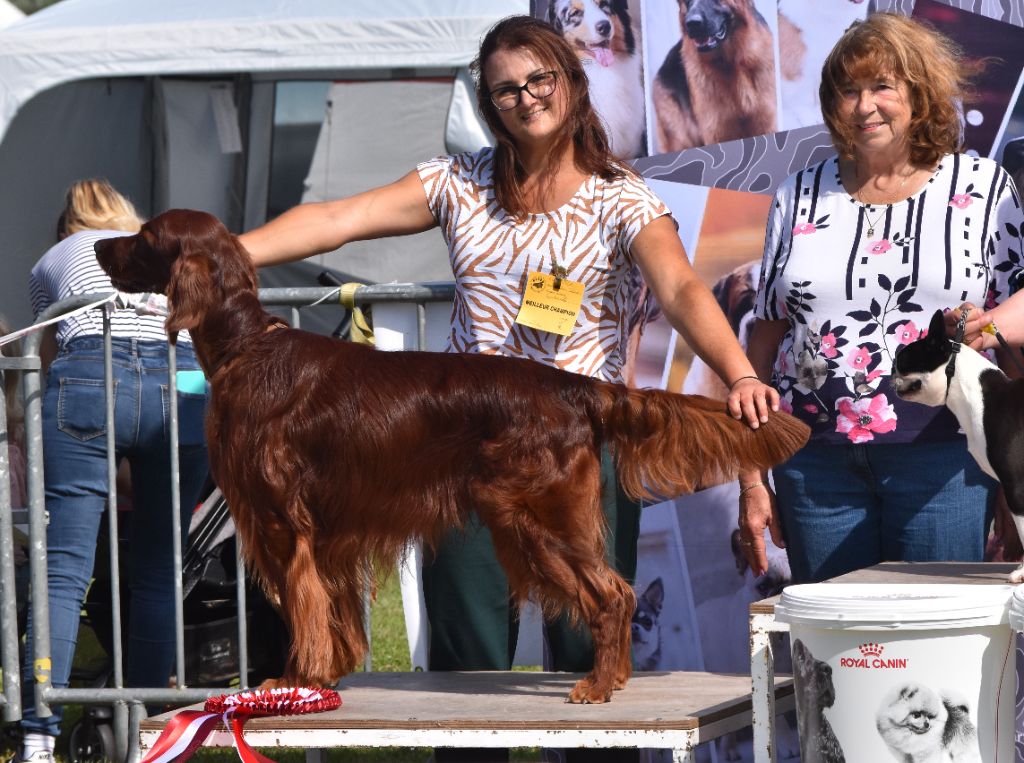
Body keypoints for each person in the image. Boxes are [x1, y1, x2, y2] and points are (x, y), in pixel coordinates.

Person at [239, 15, 775, 763]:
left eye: (538, 80)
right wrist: (232, 252)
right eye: (505, 90)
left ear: (571, 81)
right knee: (467, 661)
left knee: (585, 642)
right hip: (462, 444)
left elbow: (682, 287)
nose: (525, 99)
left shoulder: (624, 198)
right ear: (490, 104)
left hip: (573, 441)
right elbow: (340, 218)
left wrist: (741, 371)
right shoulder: (457, 182)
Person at [736, 13, 1024, 584]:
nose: (864, 105)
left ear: (918, 94)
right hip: (814, 467)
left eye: (882, 86)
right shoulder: (798, 192)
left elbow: (1017, 305)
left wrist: (986, 325)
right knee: (839, 652)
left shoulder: (984, 186)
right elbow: (763, 340)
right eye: (848, 90)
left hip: (946, 460)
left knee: (935, 645)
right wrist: (750, 478)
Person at [15, 180, 210, 763]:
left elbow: (46, 357)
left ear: (67, 226)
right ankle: (145, 731)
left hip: (90, 375)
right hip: (182, 378)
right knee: (158, 567)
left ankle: (36, 735)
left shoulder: (55, 258)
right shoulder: (163, 249)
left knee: (64, 572)